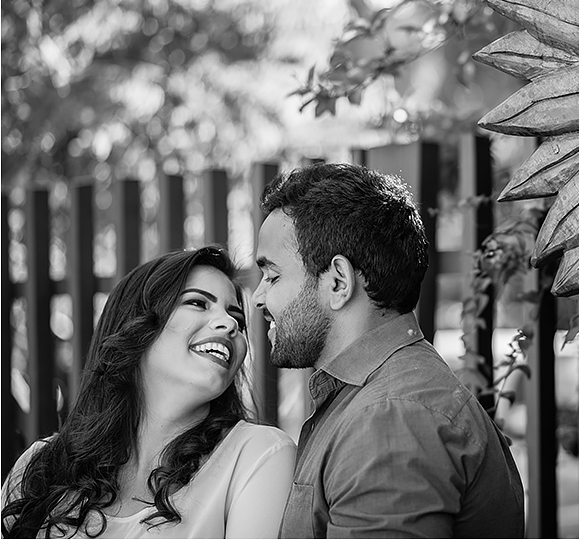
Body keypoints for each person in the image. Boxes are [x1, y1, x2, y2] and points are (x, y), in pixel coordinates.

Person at [253, 162, 525, 538]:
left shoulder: (389, 417)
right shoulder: (381, 400)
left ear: (337, 282)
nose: (258, 297)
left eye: (272, 276)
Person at [1, 246, 296, 538]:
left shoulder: (259, 455)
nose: (231, 324)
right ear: (136, 326)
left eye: (238, 319)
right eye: (198, 303)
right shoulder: (40, 465)